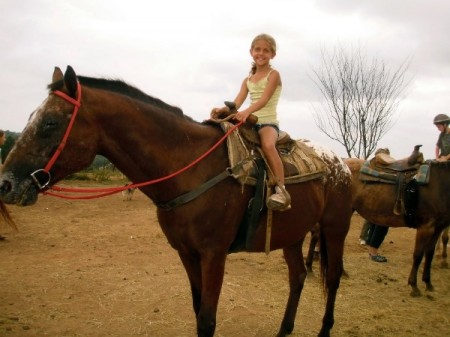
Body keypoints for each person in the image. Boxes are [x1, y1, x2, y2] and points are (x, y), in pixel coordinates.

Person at [211, 33, 290, 211]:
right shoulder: (247, 80)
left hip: (267, 122)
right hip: (250, 120)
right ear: (251, 52)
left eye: (266, 50)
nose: (261, 53)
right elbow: (237, 102)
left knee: (268, 145)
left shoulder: (274, 74)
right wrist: (223, 110)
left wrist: (246, 112)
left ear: (273, 55)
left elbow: (263, 99)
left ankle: (281, 189)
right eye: (257, 49)